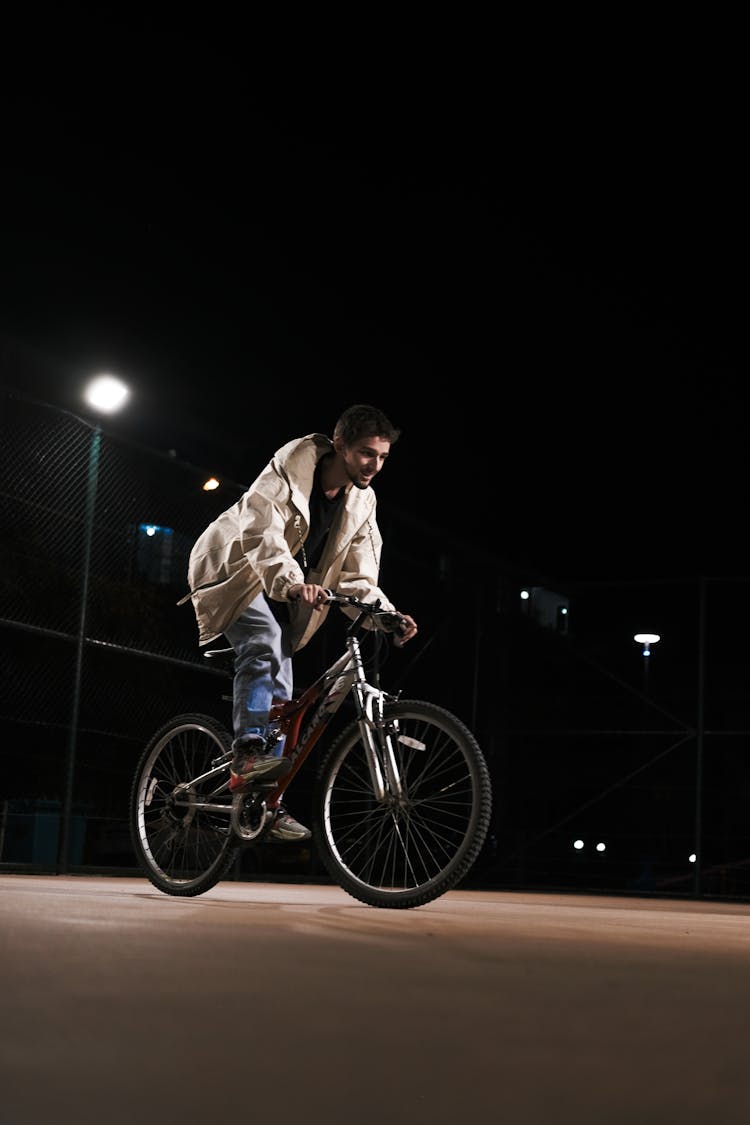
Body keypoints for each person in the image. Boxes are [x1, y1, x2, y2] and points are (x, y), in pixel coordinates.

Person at [180, 404, 418, 842]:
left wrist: (388, 616)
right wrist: (292, 582)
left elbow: (358, 574)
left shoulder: (363, 501)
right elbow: (261, 531)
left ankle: (263, 801)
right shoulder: (290, 466)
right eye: (367, 453)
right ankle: (248, 750)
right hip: (232, 568)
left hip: (276, 582)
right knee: (264, 640)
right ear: (340, 444)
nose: (375, 465)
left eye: (383, 457)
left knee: (286, 691)